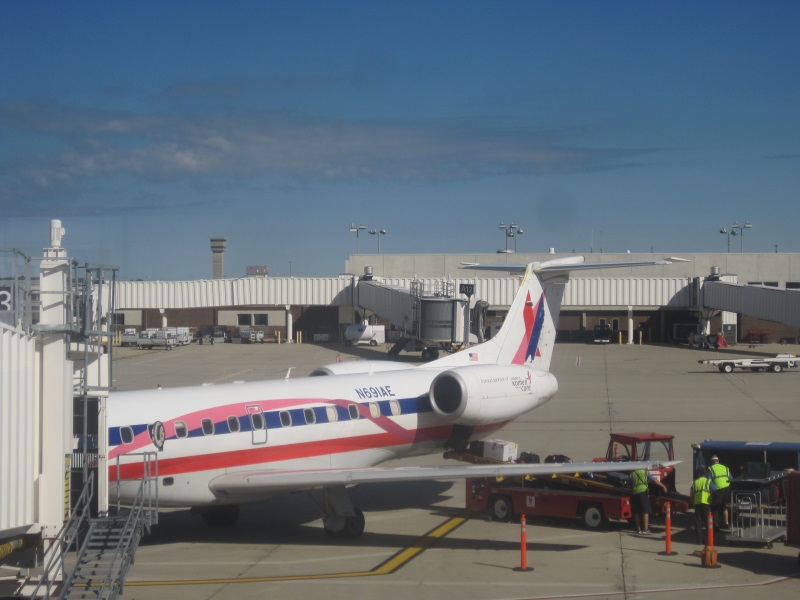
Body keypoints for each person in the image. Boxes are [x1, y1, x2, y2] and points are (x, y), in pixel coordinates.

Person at [630, 468, 668, 534]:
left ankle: (638, 529)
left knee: (637, 512)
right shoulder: (645, 472)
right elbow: (654, 480)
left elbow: (628, 484)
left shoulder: (632, 474)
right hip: (643, 493)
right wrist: (663, 486)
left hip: (635, 493)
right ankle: (645, 529)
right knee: (646, 511)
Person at [691, 467, 715, 543]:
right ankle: (709, 539)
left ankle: (699, 539)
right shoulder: (708, 481)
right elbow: (715, 489)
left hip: (697, 504)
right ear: (706, 474)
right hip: (706, 504)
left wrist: (693, 503)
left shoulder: (695, 482)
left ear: (699, 474)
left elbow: (692, 494)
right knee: (708, 522)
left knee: (698, 522)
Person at [707, 455, 732, 528]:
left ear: (712, 462)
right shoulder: (725, 467)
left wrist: (714, 489)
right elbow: (731, 478)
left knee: (716, 508)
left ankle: (716, 525)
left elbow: (709, 481)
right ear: (718, 461)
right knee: (724, 507)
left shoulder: (711, 469)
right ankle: (726, 523)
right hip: (727, 489)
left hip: (718, 490)